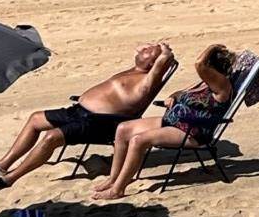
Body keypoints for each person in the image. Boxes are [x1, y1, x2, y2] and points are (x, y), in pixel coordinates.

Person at [0, 41, 178, 188]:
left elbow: (162, 61)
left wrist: (164, 54)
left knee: (51, 137)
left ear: (155, 64)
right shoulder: (134, 69)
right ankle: (1, 166)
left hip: (102, 123)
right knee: (35, 119)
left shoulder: (146, 82)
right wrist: (152, 51)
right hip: (78, 112)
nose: (146, 48)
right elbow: (139, 50)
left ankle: (10, 179)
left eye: (151, 51)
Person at [93, 44, 237, 200]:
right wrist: (173, 97)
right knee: (123, 129)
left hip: (191, 131)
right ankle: (113, 178)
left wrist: (213, 47)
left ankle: (118, 189)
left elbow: (198, 63)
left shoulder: (222, 86)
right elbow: (181, 92)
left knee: (139, 140)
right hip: (172, 121)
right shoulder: (203, 83)